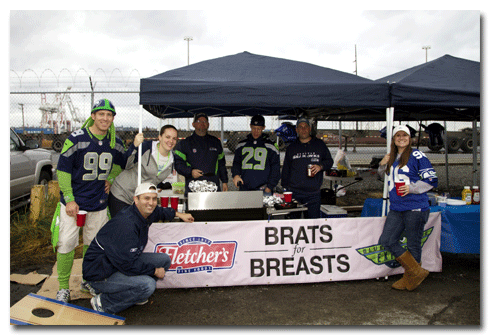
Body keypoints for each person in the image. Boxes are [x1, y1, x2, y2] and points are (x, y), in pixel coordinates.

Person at [53, 99, 138, 302]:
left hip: (98, 202)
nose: (105, 118)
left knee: (93, 246)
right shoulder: (76, 138)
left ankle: (87, 279)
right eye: (101, 114)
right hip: (74, 204)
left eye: (109, 115)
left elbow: (122, 164)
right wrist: (70, 198)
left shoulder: (114, 141)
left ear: (113, 118)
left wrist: (110, 177)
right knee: (66, 243)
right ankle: (63, 287)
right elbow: (63, 170)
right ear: (93, 116)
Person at [82, 182, 194, 315]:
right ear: (136, 200)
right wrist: (153, 271)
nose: (151, 203)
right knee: (148, 285)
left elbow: (159, 211)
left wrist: (179, 214)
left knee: (164, 260)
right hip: (100, 272)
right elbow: (127, 265)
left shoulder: (143, 212)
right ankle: (104, 302)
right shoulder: (127, 225)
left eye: (154, 199)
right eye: (146, 198)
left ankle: (133, 293)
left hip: (116, 263)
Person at [377, 125, 438, 291]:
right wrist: (382, 165)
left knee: (413, 244)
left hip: (415, 207)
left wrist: (412, 188)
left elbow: (432, 179)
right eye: (398, 135)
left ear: (409, 138)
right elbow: (383, 178)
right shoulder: (393, 156)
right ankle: (416, 272)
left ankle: (410, 277)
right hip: (396, 207)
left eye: (404, 135)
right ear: (393, 138)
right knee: (387, 240)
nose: (401, 138)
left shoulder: (417, 155)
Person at [108, 125, 178, 217]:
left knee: (137, 228)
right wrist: (134, 146)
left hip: (140, 201)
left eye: (174, 138)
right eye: (167, 137)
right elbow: (125, 164)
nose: (171, 141)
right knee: (123, 228)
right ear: (160, 137)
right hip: (122, 194)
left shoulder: (173, 160)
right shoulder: (146, 147)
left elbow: (154, 178)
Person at [281, 118, 333, 219]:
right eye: (300, 127)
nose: (303, 129)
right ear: (296, 130)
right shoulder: (291, 147)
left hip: (313, 194)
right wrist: (285, 189)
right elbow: (286, 169)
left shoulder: (319, 144)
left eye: (305, 127)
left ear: (309, 129)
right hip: (294, 193)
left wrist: (320, 166)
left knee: (312, 225)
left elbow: (329, 161)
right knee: (293, 224)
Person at [174, 113, 228, 194]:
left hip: (213, 186)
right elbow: (178, 164)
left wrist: (224, 181)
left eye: (205, 121)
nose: (202, 123)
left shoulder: (216, 142)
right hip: (193, 186)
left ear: (208, 124)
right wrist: (190, 172)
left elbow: (221, 164)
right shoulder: (184, 143)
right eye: (199, 121)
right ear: (193, 124)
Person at [232, 115, 280, 195]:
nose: (256, 131)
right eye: (254, 128)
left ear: (263, 128)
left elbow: (276, 168)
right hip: (245, 189)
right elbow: (236, 163)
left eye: (259, 129)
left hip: (264, 189)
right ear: (250, 126)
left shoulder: (271, 146)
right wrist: (236, 175)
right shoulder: (241, 145)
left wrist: (270, 187)